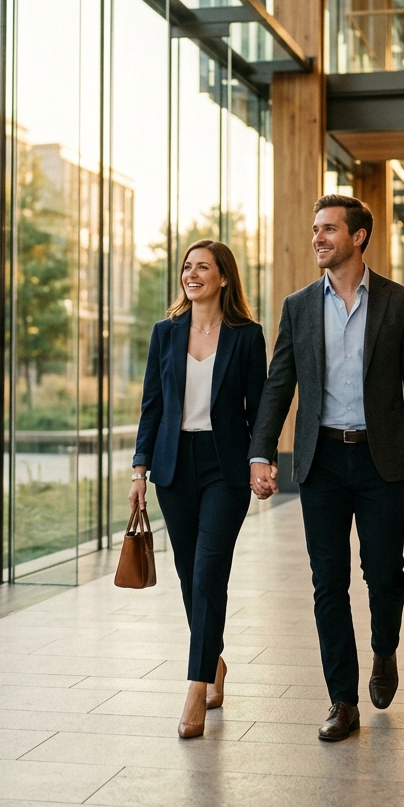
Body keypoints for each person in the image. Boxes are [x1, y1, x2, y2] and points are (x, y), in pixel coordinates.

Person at [248, 195, 404, 743]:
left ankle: (384, 650)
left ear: (359, 237)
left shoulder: (400, 303)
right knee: (327, 580)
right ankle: (342, 698)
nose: (318, 238)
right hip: (322, 460)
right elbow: (278, 385)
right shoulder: (300, 305)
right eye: (314, 229)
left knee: (383, 574)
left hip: (382, 460)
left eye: (329, 229)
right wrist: (260, 452)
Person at [130, 239, 268, 739]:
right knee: (189, 573)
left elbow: (260, 408)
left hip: (224, 467)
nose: (192, 274)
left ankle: (195, 683)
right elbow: (152, 405)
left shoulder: (246, 336)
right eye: (187, 266)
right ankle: (215, 661)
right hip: (173, 465)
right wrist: (139, 469)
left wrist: (261, 459)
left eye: (202, 267)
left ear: (223, 277)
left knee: (210, 571)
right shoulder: (165, 333)